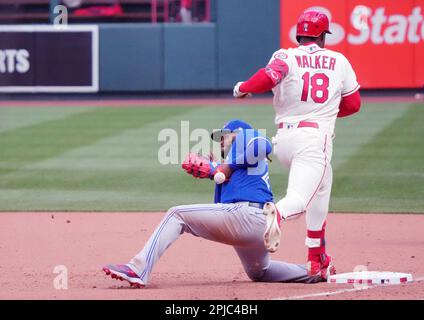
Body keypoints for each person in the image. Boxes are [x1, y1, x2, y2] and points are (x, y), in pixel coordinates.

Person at [103, 119, 328, 288]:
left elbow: (264, 145)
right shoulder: (237, 164)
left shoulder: (247, 136)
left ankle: (137, 269)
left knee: (176, 215)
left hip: (247, 216)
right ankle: (313, 272)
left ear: (236, 133)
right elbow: (220, 206)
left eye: (224, 136)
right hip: (255, 222)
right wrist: (213, 172)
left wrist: (225, 168)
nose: (221, 141)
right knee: (260, 272)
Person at [233, 10, 361, 278]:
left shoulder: (285, 56)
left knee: (323, 184)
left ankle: (317, 258)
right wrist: (324, 109)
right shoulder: (338, 60)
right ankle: (274, 216)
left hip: (285, 141)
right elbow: (353, 104)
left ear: (299, 34)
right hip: (314, 141)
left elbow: (269, 77)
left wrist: (243, 86)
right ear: (323, 36)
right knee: (299, 201)